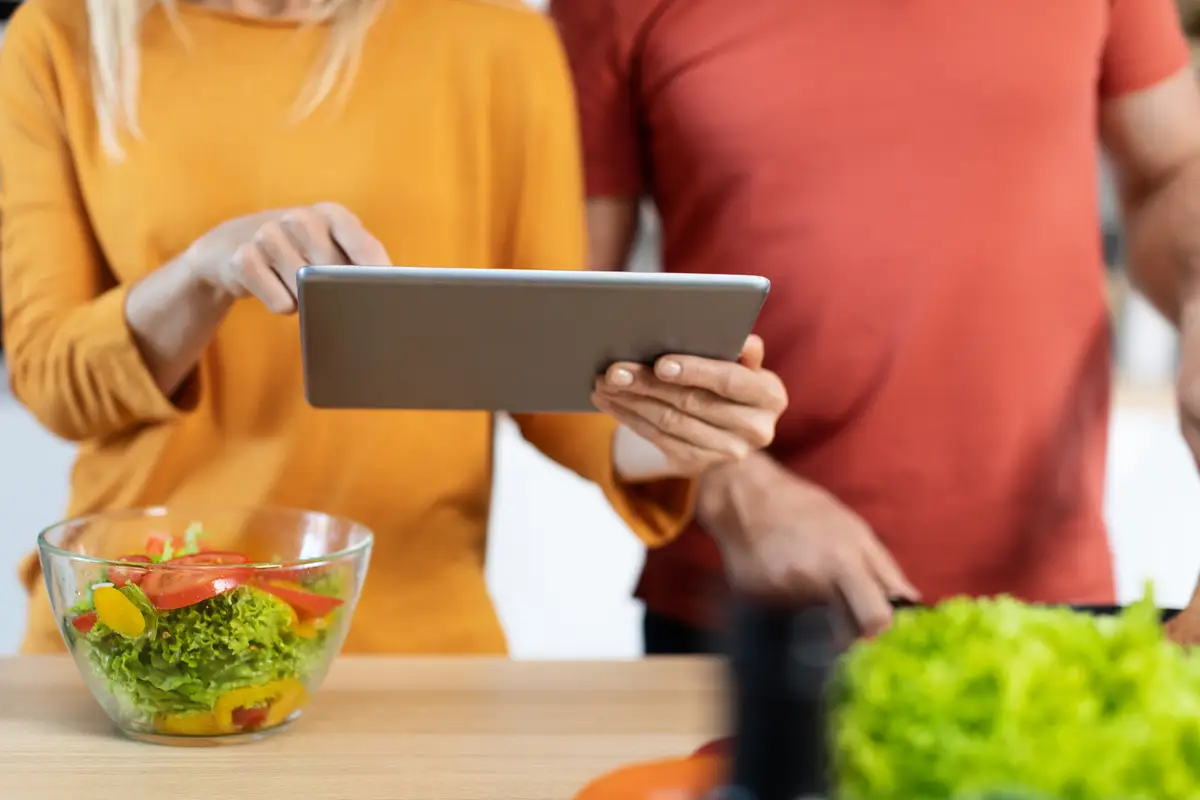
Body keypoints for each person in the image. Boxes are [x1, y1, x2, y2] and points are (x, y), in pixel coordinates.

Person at [0, 0, 789, 655]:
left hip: (411, 647)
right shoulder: (59, 38)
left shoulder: (495, 44)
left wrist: (679, 426)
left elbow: (552, 388)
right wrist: (202, 273)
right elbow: (50, 382)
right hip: (133, 629)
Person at [550, 0, 1200, 653]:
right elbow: (562, 319)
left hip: (1050, 603)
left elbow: (1172, 168)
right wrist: (731, 490)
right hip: (752, 614)